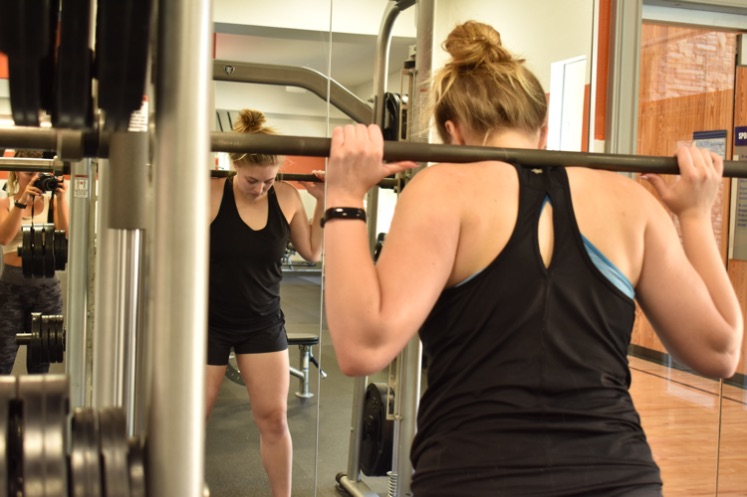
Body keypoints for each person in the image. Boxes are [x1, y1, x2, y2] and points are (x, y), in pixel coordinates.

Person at [321, 20, 743, 497]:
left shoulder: (441, 190)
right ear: (543, 128)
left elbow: (361, 348)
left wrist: (345, 196)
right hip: (618, 477)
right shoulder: (631, 202)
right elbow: (721, 352)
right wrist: (693, 214)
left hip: (473, 477)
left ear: (451, 132)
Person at [205, 109, 324, 497]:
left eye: (269, 180)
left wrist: (323, 202)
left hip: (262, 322)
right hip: (208, 323)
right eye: (252, 180)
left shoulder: (287, 196)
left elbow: (311, 251)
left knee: (273, 419)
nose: (261, 188)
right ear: (234, 165)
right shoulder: (210, 193)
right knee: (192, 421)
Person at [0, 150, 69, 375]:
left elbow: (65, 234)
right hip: (12, 289)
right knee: (2, 359)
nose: (33, 179)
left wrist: (60, 198)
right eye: (28, 173)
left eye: (37, 173)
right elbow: (4, 237)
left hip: (46, 290)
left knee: (40, 365)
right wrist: (22, 201)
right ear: (16, 173)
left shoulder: (52, 203)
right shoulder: (6, 203)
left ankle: (38, 409)